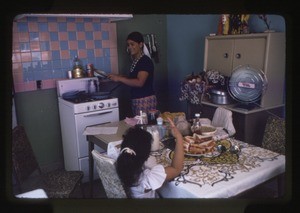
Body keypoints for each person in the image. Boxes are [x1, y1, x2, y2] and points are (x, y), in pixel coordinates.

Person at [116, 117, 184, 198]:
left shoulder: (119, 161)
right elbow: (176, 169)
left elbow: (126, 146)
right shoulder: (146, 180)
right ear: (147, 156)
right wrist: (179, 137)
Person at [108, 31, 157, 116]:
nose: (129, 47)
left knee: (144, 127)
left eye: (132, 44)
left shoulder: (145, 61)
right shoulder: (136, 61)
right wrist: (119, 76)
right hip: (137, 100)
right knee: (140, 127)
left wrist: (119, 79)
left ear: (141, 44)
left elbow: (139, 82)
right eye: (128, 45)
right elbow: (133, 78)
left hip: (145, 100)